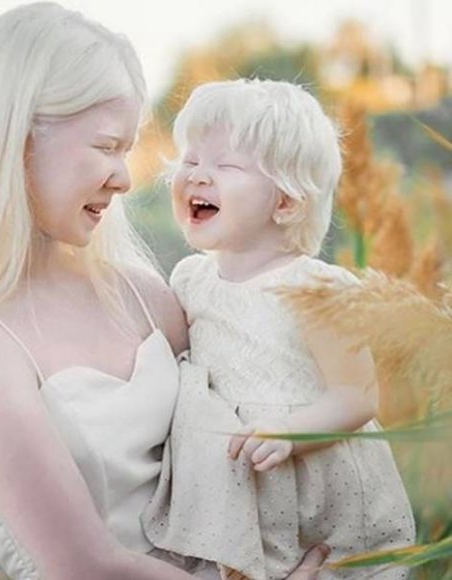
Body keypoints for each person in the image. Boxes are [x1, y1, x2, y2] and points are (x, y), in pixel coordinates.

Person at [0, 6, 328, 579]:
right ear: (19, 139)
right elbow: (87, 565)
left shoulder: (143, 296)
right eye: (107, 147)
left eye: (127, 151)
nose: (125, 178)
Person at [142, 79, 416, 579]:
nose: (198, 176)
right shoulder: (189, 279)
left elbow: (357, 396)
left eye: (224, 165)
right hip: (236, 488)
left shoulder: (314, 286)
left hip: (315, 495)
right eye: (189, 160)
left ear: (286, 203)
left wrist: (291, 433)